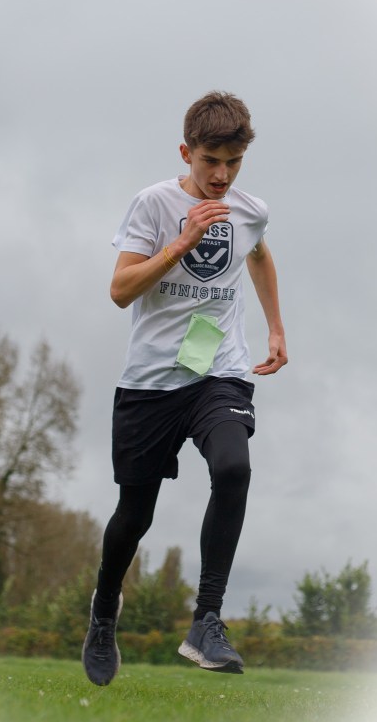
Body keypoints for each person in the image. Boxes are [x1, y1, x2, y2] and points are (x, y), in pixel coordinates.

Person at [82, 91, 287, 686]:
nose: (221, 176)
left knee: (233, 467)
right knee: (134, 515)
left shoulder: (249, 210)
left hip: (218, 371)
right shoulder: (153, 204)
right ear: (186, 153)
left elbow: (259, 255)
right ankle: (103, 612)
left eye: (233, 163)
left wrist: (275, 326)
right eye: (210, 162)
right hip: (151, 383)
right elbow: (121, 290)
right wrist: (182, 242)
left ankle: (206, 620)